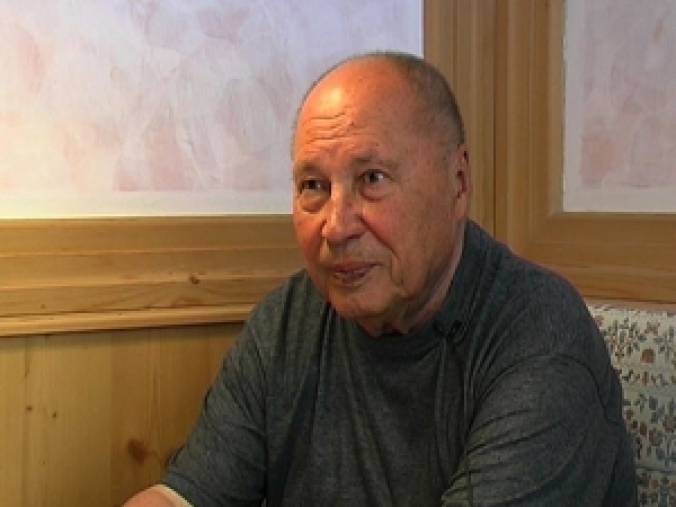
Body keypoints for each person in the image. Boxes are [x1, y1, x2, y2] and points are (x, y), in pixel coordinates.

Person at [126, 52, 637, 506]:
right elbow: (186, 495)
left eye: (372, 179)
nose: (336, 226)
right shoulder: (286, 324)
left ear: (458, 183)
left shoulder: (540, 338)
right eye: (313, 186)